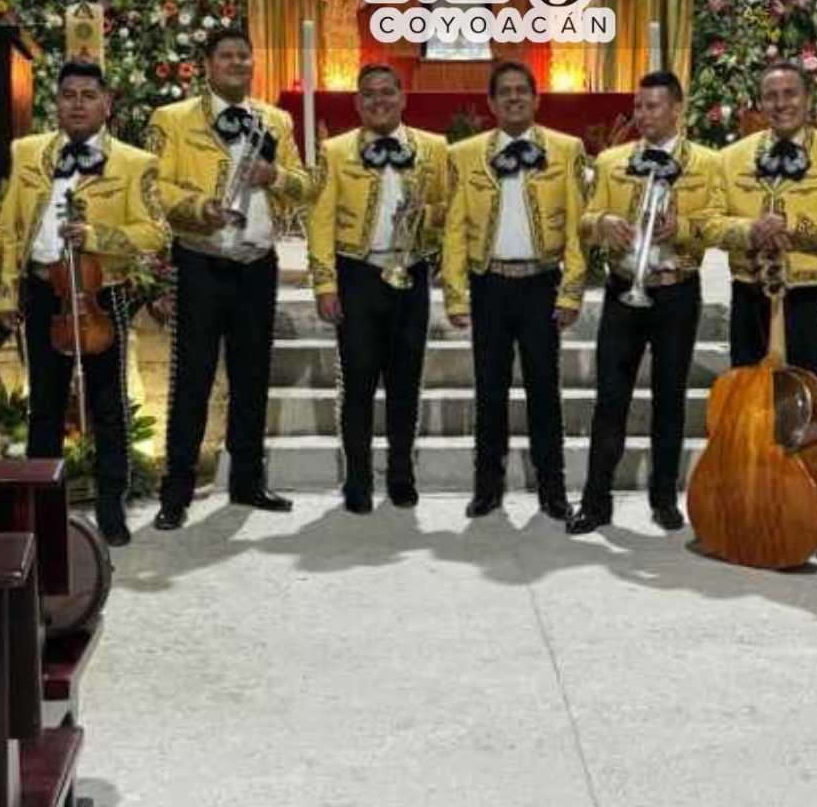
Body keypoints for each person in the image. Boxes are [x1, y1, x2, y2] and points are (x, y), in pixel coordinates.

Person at [146, 26, 315, 530]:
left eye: (245, 55)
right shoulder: (173, 119)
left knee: (252, 379)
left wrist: (274, 176)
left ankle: (247, 481)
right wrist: (200, 207)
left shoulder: (276, 120)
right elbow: (155, 188)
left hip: (257, 265)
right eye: (227, 56)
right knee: (192, 381)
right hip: (200, 262)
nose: (238, 63)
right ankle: (176, 492)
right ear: (207, 63)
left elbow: (305, 186)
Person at [0, 62, 168, 545]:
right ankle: (42, 510)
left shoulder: (135, 162)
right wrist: (6, 291)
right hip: (42, 291)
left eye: (88, 95)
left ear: (106, 104)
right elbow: (9, 228)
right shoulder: (27, 152)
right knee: (44, 406)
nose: (77, 103)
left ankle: (112, 506)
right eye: (68, 94)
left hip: (101, 293)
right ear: (56, 102)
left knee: (109, 404)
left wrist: (96, 235)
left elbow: (155, 232)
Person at [572, 70, 721, 534]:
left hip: (677, 288)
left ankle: (664, 499)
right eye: (638, 106)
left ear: (677, 109)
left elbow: (719, 222)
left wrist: (685, 228)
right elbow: (584, 220)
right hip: (623, 287)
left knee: (670, 397)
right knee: (610, 397)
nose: (642, 115)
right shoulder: (612, 160)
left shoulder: (708, 163)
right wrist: (604, 223)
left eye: (652, 106)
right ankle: (595, 502)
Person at [441, 61, 591, 521]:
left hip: (541, 284)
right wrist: (455, 294)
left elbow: (578, 230)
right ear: (491, 102)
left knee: (545, 391)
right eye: (504, 92)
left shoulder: (566, 149)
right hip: (488, 285)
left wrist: (571, 292)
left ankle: (553, 491)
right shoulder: (464, 154)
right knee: (490, 391)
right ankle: (487, 488)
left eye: (522, 90)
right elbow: (454, 230)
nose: (513, 98)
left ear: (536, 97)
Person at [307, 64, 449, 512]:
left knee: (406, 381)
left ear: (403, 98)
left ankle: (402, 475)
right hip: (358, 275)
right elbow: (320, 221)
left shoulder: (434, 147)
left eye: (387, 92)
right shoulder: (335, 151)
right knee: (359, 383)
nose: (378, 101)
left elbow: (449, 209)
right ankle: (359, 479)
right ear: (357, 102)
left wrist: (427, 218)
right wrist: (325, 284)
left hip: (412, 274)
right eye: (369, 94)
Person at [697, 60, 817, 427]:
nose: (781, 103)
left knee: (808, 406)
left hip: (810, 297)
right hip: (748, 294)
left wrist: (794, 226)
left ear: (809, 100)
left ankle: (806, 468)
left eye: (790, 94)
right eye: (770, 96)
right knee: (748, 405)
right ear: (760, 104)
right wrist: (749, 230)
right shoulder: (729, 159)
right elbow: (707, 224)